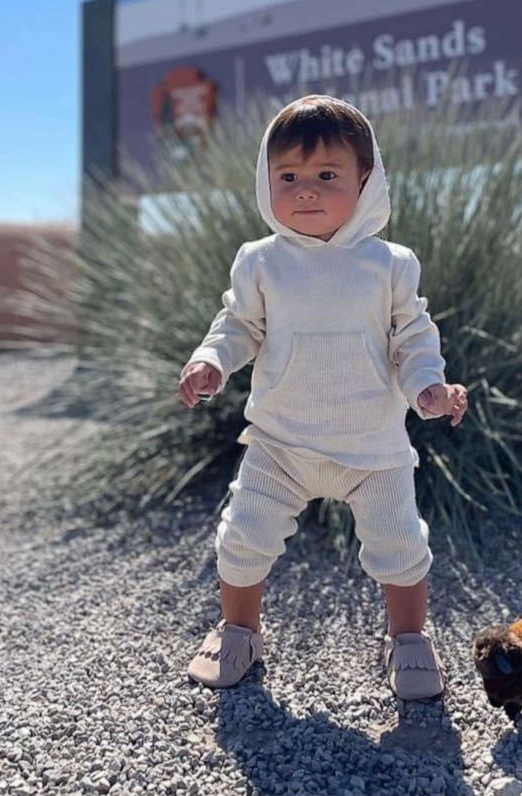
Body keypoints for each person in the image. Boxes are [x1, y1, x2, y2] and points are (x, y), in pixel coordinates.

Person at [178, 94, 468, 700]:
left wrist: (429, 388)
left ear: (366, 180)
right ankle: (239, 630)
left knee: (399, 546)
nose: (305, 191)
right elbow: (240, 326)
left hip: (373, 447)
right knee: (242, 537)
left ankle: (408, 638)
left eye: (327, 176)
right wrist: (212, 360)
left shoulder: (389, 263)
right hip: (280, 441)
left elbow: (412, 335)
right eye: (289, 177)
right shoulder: (260, 262)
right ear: (266, 180)